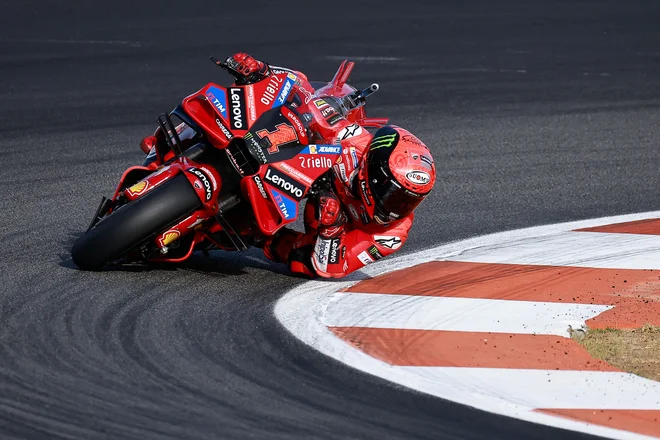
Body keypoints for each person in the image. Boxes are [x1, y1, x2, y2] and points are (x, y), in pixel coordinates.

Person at [227, 53, 437, 278]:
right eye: (394, 195)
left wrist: (332, 228)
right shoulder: (354, 140)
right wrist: (263, 72)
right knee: (295, 97)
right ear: (375, 171)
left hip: (327, 223)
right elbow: (306, 92)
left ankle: (259, 236)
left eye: (409, 202)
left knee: (307, 264)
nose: (398, 208)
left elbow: (334, 267)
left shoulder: (392, 234)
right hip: (302, 168)